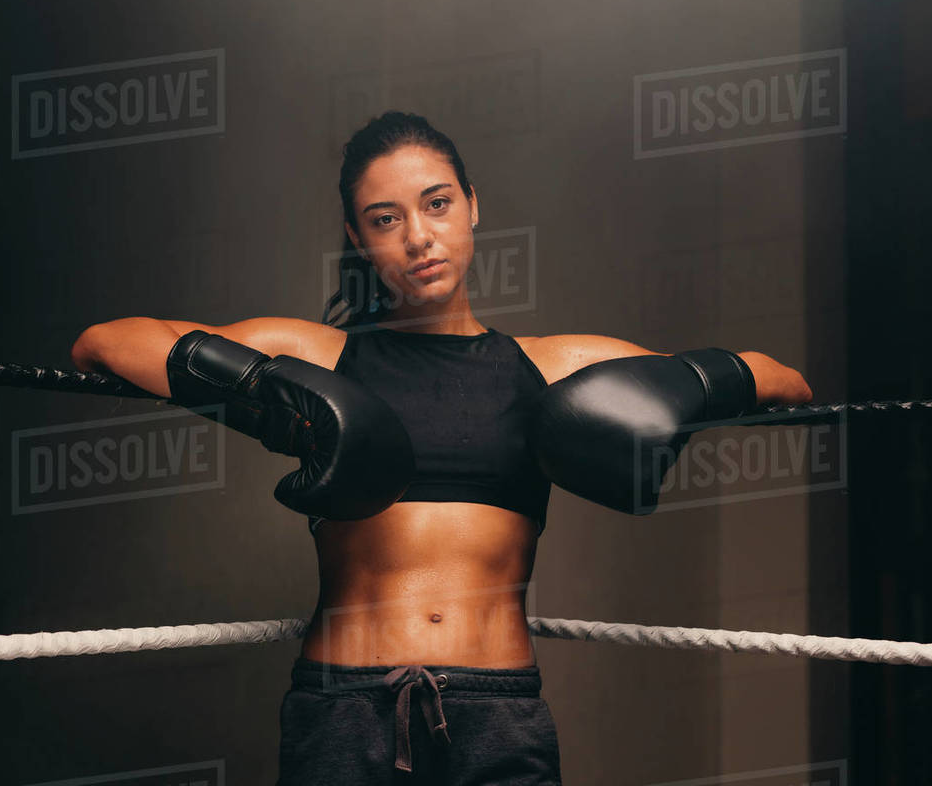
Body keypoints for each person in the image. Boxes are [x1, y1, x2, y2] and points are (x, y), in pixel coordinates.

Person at [70, 111, 813, 785]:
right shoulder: (321, 358)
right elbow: (104, 343)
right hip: (343, 709)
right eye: (385, 218)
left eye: (437, 203)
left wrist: (686, 388)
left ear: (472, 205)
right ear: (358, 237)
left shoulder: (552, 367)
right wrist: (265, 391)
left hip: (497, 714)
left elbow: (786, 382)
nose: (418, 238)